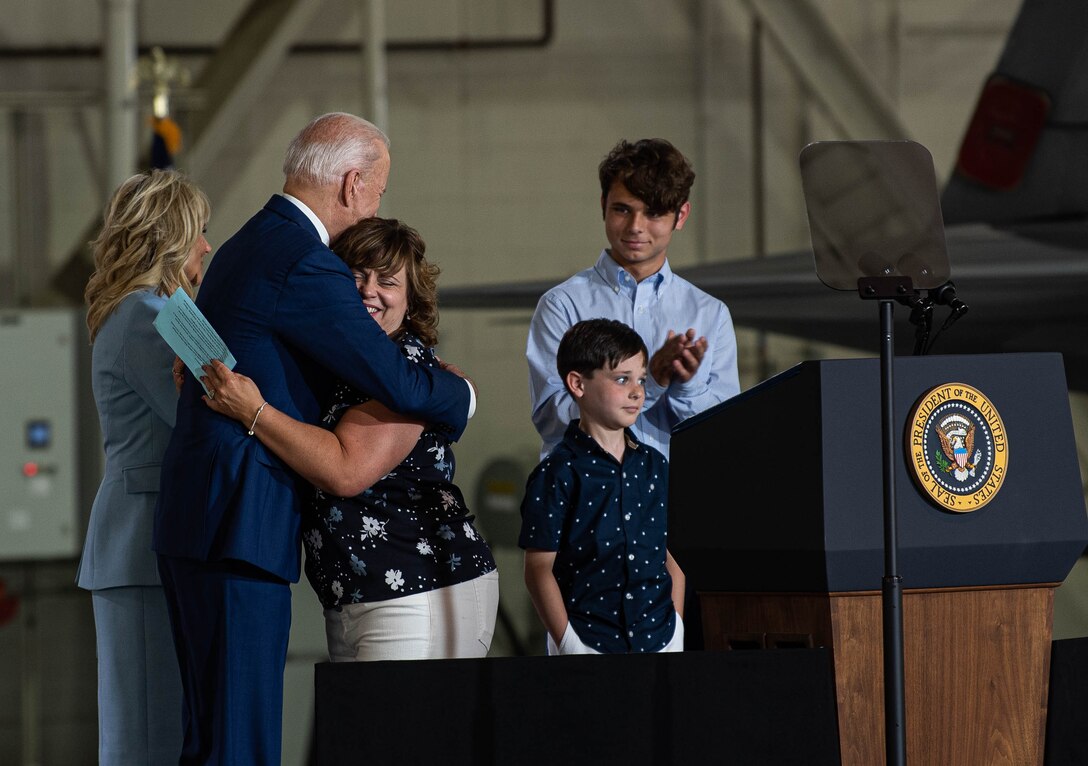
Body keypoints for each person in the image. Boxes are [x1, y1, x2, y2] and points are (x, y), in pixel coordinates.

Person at [153, 113, 474, 766]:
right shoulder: (305, 262)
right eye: (378, 190)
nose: (376, 205)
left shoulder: (244, 243)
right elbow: (399, 385)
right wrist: (461, 394)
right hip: (241, 525)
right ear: (354, 184)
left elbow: (201, 362)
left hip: (195, 517)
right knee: (240, 744)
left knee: (209, 739)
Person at [199, 217, 498, 661]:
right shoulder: (338, 369)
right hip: (354, 592)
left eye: (388, 281)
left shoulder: (405, 368)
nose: (368, 290)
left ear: (412, 301)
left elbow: (344, 471)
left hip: (419, 587)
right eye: (355, 275)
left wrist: (253, 411)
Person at [77, 169, 211, 765]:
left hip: (156, 542)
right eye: (200, 231)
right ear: (172, 238)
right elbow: (217, 414)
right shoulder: (149, 314)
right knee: (146, 739)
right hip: (143, 547)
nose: (208, 245)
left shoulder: (160, 310)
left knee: (159, 730)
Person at [526, 138, 740, 459]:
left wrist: (688, 387)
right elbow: (553, 420)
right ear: (603, 205)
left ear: (680, 216)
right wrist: (649, 382)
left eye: (653, 213)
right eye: (622, 209)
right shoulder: (563, 305)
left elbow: (726, 434)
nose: (635, 227)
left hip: (679, 499)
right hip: (590, 501)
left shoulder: (710, 314)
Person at [519, 318, 685, 654]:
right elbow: (538, 570)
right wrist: (569, 643)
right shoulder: (556, 473)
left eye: (640, 379)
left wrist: (677, 625)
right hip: (587, 641)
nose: (638, 391)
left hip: (661, 636)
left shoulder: (655, 466)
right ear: (578, 384)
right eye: (622, 379)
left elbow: (671, 557)